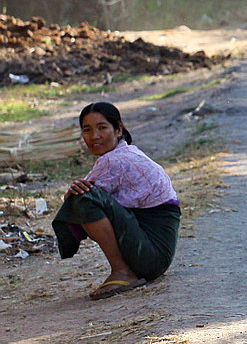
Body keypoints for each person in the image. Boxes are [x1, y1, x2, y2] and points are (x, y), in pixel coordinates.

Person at [52, 102, 181, 300]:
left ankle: (122, 272)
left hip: (151, 256)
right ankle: (125, 270)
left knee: (83, 198)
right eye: (87, 130)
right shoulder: (123, 153)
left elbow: (81, 199)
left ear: (119, 129)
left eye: (102, 127)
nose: (94, 136)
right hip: (153, 256)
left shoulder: (115, 160)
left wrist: (74, 194)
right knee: (84, 196)